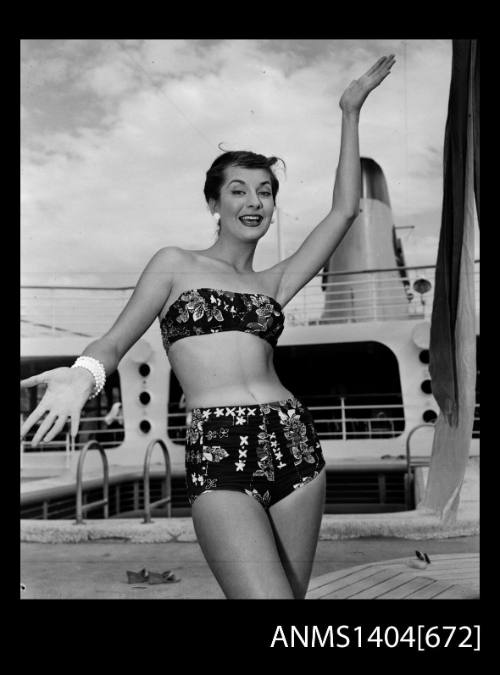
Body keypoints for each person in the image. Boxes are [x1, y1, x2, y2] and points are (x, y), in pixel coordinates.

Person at [20, 54, 396, 599]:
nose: (254, 202)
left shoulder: (277, 281)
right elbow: (116, 339)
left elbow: (343, 211)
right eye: (239, 190)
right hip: (219, 446)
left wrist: (349, 111)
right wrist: (84, 375)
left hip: (293, 442)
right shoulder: (175, 263)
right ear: (214, 203)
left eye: (265, 191)